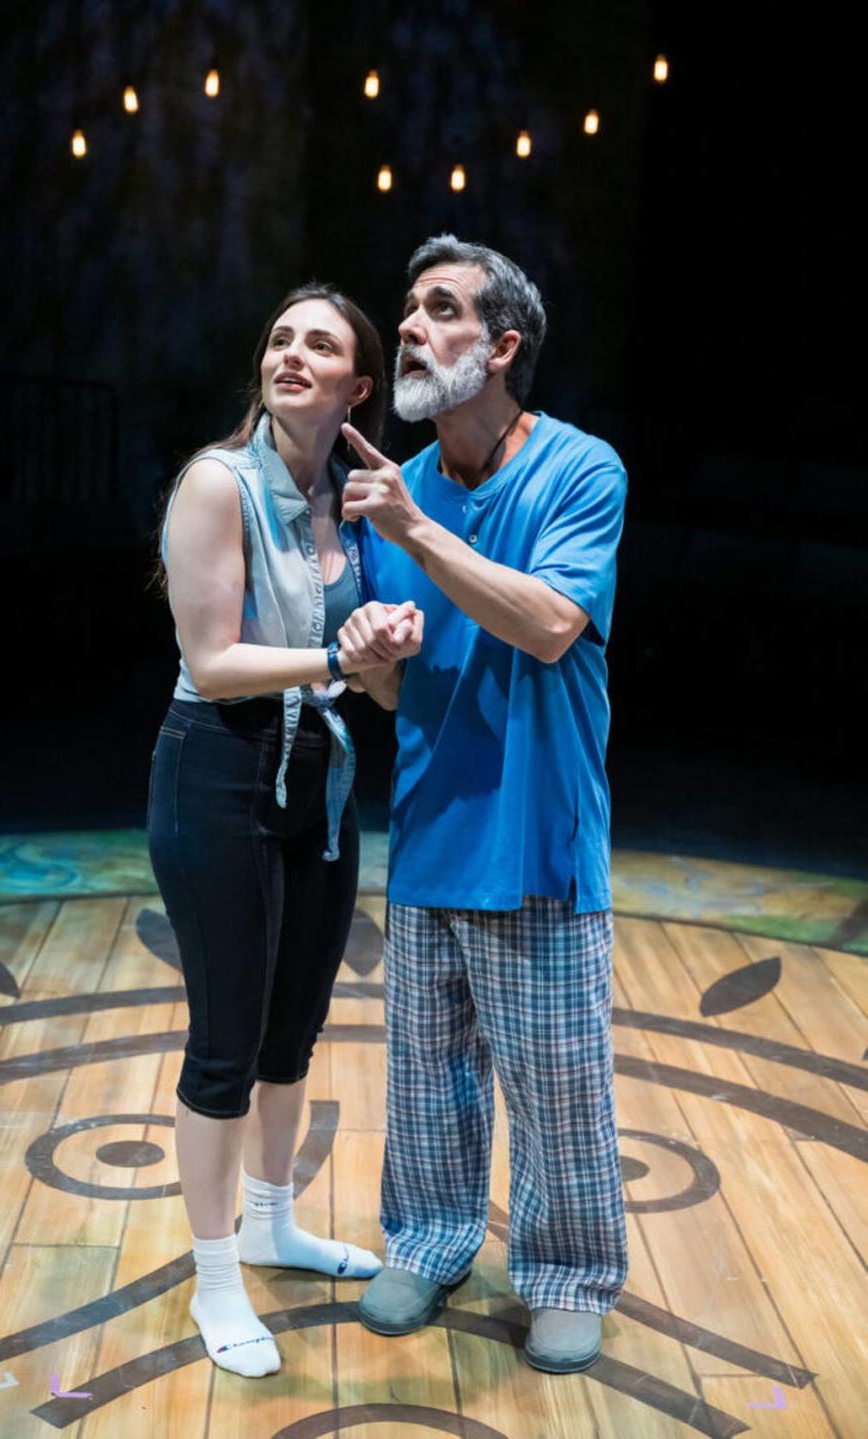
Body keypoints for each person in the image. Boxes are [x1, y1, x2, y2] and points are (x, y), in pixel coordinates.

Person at [340, 235, 629, 1373]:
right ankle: (430, 1235)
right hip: (429, 824)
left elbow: (551, 623)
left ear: (502, 347)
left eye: (441, 310)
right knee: (425, 1077)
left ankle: (565, 1268)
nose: (409, 325)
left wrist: (413, 529)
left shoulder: (579, 470)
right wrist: (368, 657)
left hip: (538, 833)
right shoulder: (392, 492)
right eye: (408, 307)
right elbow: (408, 679)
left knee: (556, 1081)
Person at [148, 283, 423, 1378]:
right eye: (278, 338)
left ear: (359, 387)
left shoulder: (349, 506)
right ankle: (218, 1273)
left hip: (318, 775)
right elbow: (213, 664)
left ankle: (273, 1220)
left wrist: (386, 639)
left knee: (292, 1029)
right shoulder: (217, 484)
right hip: (217, 768)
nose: (291, 354)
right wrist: (340, 664)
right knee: (224, 1041)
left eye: (320, 343)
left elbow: (373, 667)